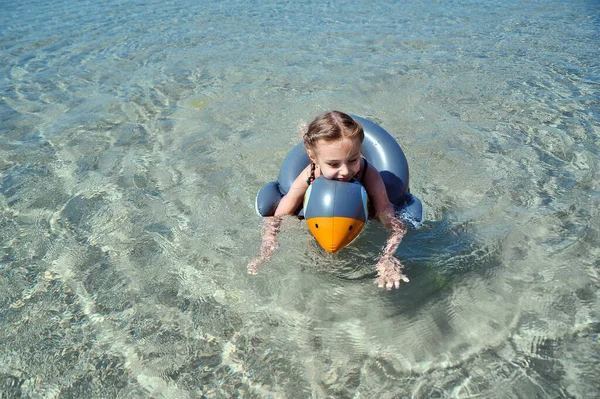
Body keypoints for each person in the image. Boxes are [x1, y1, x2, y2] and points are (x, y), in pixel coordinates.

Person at [248, 111, 409, 290]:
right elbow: (286, 206)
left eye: (353, 159)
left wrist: (389, 257)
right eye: (333, 164)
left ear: (360, 152)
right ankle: (303, 131)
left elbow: (388, 215)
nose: (345, 171)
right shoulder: (311, 172)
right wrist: (268, 240)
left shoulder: (368, 174)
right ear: (313, 159)